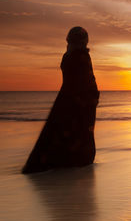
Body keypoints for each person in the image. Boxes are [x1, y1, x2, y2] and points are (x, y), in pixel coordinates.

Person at [22, 27, 99, 174]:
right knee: (76, 130)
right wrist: (91, 98)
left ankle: (65, 160)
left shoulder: (68, 56)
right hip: (79, 100)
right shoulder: (80, 56)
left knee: (62, 130)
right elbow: (87, 80)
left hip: (69, 98)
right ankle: (75, 160)